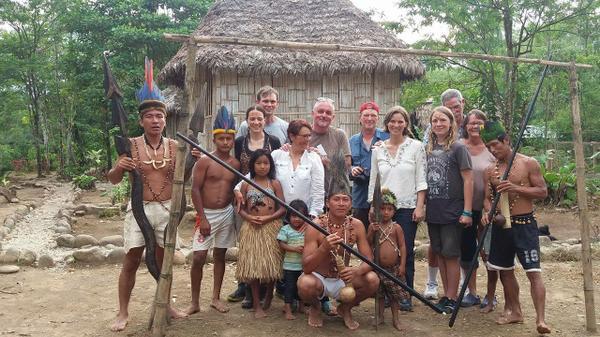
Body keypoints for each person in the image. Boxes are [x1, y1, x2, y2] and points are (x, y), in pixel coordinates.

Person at [107, 62, 186, 331]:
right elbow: (113, 179)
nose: (155, 121)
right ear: (141, 120)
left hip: (167, 208)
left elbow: (184, 178)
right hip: (139, 208)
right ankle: (122, 311)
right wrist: (119, 167)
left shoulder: (175, 147)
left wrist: (193, 162)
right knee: (131, 260)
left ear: (166, 119)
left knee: (163, 261)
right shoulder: (129, 145)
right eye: (150, 116)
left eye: (159, 116)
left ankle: (165, 303)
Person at [481, 120, 550, 334]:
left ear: (506, 140)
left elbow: (542, 192)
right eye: (488, 147)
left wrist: (515, 188)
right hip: (502, 227)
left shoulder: (528, 163)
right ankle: (516, 312)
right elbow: (486, 198)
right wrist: (488, 213)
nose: (493, 150)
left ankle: (541, 320)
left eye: (495, 145)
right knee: (505, 272)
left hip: (525, 224)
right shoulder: (488, 170)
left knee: (533, 272)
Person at [297, 183, 380, 330]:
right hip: (319, 278)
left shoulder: (357, 225)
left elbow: (369, 259)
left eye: (345, 199)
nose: (341, 203)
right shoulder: (315, 225)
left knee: (372, 280)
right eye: (336, 199)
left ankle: (345, 309)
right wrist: (323, 248)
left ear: (351, 203)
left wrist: (356, 271)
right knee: (304, 283)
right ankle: (316, 307)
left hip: (344, 279)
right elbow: (306, 267)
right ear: (327, 202)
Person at [367, 106, 426, 311]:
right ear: (387, 124)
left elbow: (421, 180)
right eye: (392, 121)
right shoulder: (378, 148)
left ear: (406, 124)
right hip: (383, 208)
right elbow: (374, 178)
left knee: (404, 252)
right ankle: (382, 293)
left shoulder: (416, 147)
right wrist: (372, 206)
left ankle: (405, 294)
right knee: (381, 251)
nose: (396, 125)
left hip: (407, 207)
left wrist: (420, 206)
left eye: (400, 121)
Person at [186, 106, 240, 315]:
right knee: (199, 257)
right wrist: (203, 217)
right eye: (221, 139)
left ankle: (215, 298)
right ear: (215, 139)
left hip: (226, 213)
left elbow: (237, 189)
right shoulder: (205, 161)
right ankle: (194, 302)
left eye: (229, 139)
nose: (225, 142)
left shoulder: (235, 164)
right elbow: (195, 190)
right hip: (207, 214)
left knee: (220, 255)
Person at [229, 105, 281, 305]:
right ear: (247, 120)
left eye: (260, 118)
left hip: (267, 194)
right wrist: (238, 188)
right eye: (252, 118)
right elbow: (238, 168)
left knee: (269, 254)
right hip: (245, 193)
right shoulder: (240, 141)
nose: (256, 122)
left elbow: (274, 167)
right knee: (250, 250)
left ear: (265, 120)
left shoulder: (274, 141)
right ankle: (247, 291)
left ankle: (268, 294)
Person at [425, 106, 473, 314]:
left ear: (451, 122)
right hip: (434, 210)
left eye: (442, 120)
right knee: (440, 254)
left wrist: (467, 211)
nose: (438, 124)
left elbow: (468, 179)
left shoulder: (458, 148)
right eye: (435, 120)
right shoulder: (429, 148)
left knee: (451, 254)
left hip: (453, 210)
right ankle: (446, 295)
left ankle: (453, 297)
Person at [236, 149, 286, 318]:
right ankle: (257, 304)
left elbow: (283, 208)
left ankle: (269, 295)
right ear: (252, 165)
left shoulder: (275, 183)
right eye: (258, 163)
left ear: (270, 165)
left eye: (266, 163)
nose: (262, 166)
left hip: (272, 227)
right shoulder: (246, 184)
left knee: (272, 266)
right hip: (252, 229)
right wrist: (249, 217)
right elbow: (240, 209)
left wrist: (269, 218)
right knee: (254, 268)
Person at [459, 110, 498, 309]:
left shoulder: (492, 149)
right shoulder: (459, 147)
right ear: (465, 126)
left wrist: (490, 208)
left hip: (488, 208)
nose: (475, 126)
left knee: (488, 250)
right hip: (465, 209)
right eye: (471, 123)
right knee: (467, 251)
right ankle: (471, 291)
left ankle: (491, 293)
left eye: (479, 123)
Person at [367, 188, 409, 331]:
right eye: (383, 208)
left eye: (389, 209)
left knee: (394, 296)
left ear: (394, 211)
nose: (385, 212)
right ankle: (379, 316)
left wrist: (402, 265)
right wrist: (372, 231)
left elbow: (403, 247)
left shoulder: (396, 227)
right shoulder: (374, 226)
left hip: (394, 268)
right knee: (379, 295)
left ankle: (396, 319)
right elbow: (368, 243)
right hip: (378, 267)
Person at [271, 119, 325, 218]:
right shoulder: (277, 155)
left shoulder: (314, 158)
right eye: (304, 136)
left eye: (309, 135)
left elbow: (318, 190)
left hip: (304, 217)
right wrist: (238, 188)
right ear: (292, 136)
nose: (308, 139)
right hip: (277, 216)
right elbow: (257, 174)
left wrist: (313, 215)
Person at [349, 101, 389, 228]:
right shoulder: (352, 140)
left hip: (382, 194)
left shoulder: (387, 137)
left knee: (382, 231)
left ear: (378, 118)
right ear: (360, 118)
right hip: (360, 195)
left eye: (373, 115)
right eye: (366, 115)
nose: (369, 119)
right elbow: (346, 166)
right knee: (360, 232)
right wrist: (352, 169)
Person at [309, 97, 351, 191]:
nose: (324, 115)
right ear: (312, 113)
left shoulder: (339, 135)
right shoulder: (303, 134)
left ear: (333, 117)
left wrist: (325, 161)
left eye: (328, 113)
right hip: (309, 193)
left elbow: (347, 168)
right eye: (320, 111)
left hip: (334, 194)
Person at [277, 199, 309, 320]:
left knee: (301, 288)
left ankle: (301, 306)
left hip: (303, 266)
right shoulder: (286, 229)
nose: (297, 219)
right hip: (290, 266)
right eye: (294, 216)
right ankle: (288, 309)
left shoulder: (308, 230)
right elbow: (281, 244)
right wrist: (294, 249)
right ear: (289, 216)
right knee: (289, 288)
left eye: (300, 216)